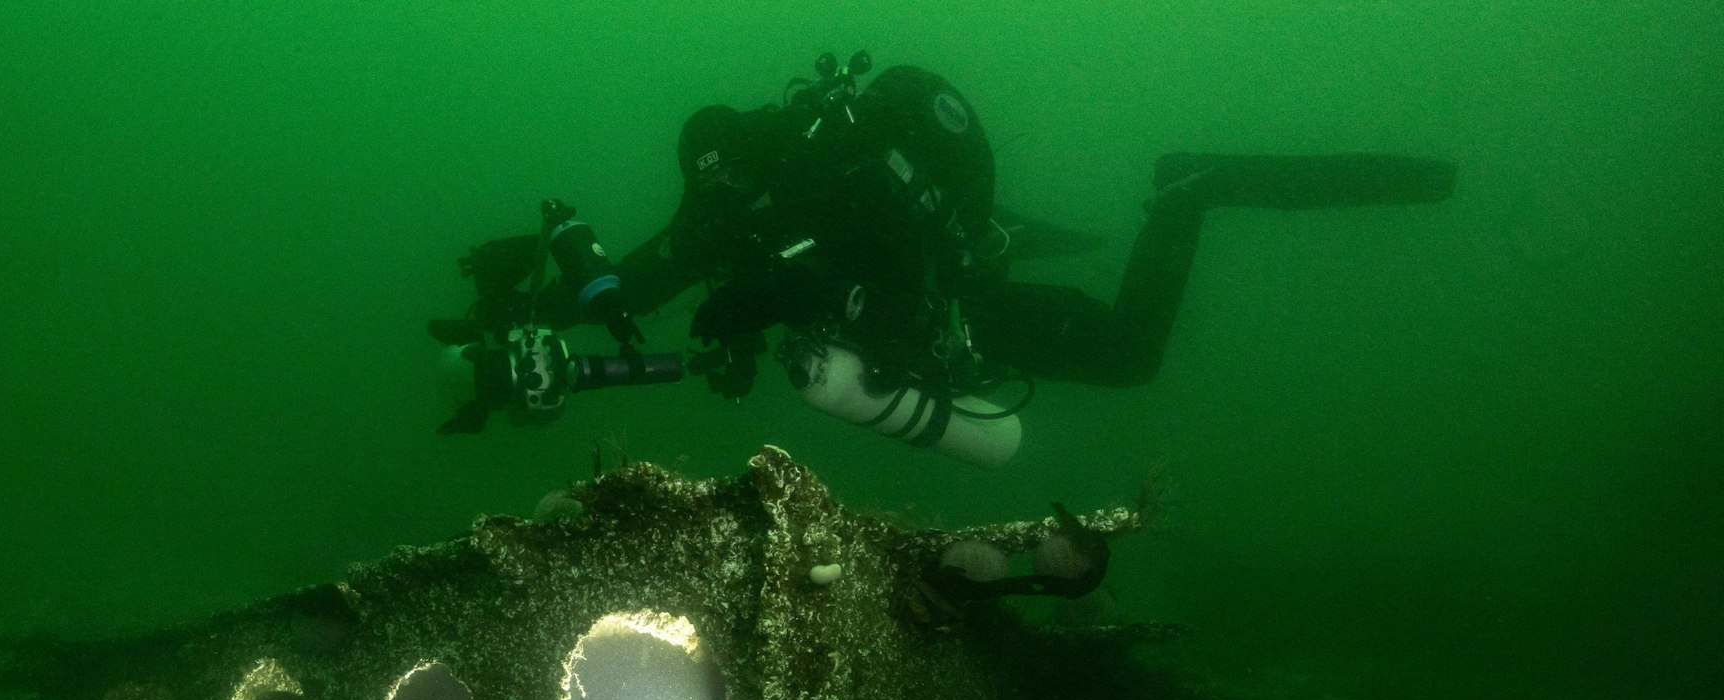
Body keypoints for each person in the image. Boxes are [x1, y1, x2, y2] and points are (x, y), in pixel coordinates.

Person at [439, 52, 1456, 466]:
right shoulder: (724, 206)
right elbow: (649, 275)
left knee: (1129, 352)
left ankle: (1189, 192)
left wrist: (788, 283)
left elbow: (905, 253)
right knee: (1120, 354)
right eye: (713, 192)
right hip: (911, 328)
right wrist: (517, 306)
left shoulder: (825, 168)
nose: (725, 206)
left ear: (759, 157)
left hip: (951, 296)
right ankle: (1186, 194)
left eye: (737, 186)